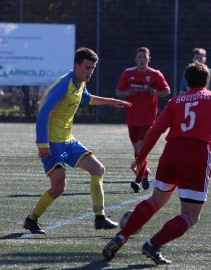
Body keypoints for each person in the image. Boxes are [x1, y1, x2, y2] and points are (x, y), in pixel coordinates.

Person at [102, 62, 211, 264]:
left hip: (171, 152)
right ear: (207, 81)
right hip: (196, 154)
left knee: (155, 200)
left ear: (185, 82)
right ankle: (153, 244)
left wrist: (140, 159)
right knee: (191, 215)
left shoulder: (175, 101)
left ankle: (121, 236)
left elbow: (155, 131)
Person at [23, 47, 132, 234]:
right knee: (58, 186)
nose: (90, 72)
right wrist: (43, 145)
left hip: (68, 139)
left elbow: (87, 98)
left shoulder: (79, 83)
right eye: (87, 68)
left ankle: (100, 217)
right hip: (52, 141)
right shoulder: (64, 85)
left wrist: (111, 100)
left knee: (98, 169)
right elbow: (43, 114)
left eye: (92, 69)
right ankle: (31, 219)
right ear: (76, 66)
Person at [115, 47, 170, 193]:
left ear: (149, 59)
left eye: (144, 57)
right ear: (135, 59)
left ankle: (138, 181)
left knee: (141, 147)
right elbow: (118, 91)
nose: (142, 60)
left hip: (148, 118)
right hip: (132, 117)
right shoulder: (128, 73)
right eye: (139, 57)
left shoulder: (155, 74)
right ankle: (145, 174)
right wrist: (127, 93)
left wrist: (155, 92)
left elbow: (167, 90)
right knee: (137, 149)